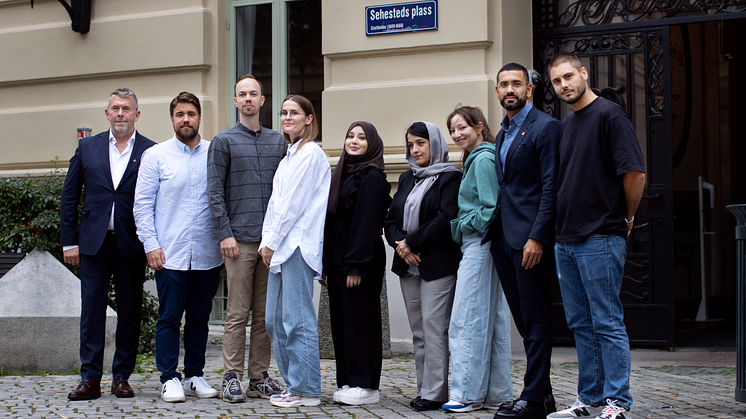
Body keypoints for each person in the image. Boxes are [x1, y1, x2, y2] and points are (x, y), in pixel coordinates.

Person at [548, 52, 645, 419]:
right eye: (557, 81)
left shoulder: (609, 115)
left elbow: (635, 173)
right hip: (566, 238)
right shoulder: (568, 124)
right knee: (580, 325)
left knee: (606, 322)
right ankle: (588, 401)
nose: (564, 86)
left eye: (569, 76)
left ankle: (617, 403)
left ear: (584, 73)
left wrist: (628, 216)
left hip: (601, 235)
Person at [60, 88, 156, 400]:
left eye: (126, 109)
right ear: (106, 113)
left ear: (136, 115)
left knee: (129, 313)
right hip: (92, 245)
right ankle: (90, 378)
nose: (120, 114)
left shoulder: (151, 151)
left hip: (131, 244)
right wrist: (68, 242)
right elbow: (70, 197)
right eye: (115, 108)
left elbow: (159, 202)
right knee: (91, 313)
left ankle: (122, 377)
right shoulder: (88, 147)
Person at [133, 92, 222, 403]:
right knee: (170, 318)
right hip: (169, 255)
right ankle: (169, 377)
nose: (186, 119)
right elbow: (142, 206)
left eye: (191, 114)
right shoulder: (156, 156)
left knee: (199, 318)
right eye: (180, 114)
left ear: (200, 117)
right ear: (172, 119)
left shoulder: (215, 152)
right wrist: (151, 245)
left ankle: (195, 374)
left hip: (208, 254)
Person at [486, 63, 560, 419]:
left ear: (530, 89)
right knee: (523, 318)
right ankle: (542, 396)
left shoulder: (545, 128)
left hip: (530, 240)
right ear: (497, 91)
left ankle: (532, 399)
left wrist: (537, 236)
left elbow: (550, 188)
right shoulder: (502, 132)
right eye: (503, 84)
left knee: (536, 318)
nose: (509, 89)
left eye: (516, 83)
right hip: (504, 238)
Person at [207, 74, 286, 402]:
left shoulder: (279, 142)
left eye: (254, 93)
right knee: (237, 313)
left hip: (270, 242)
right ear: (236, 101)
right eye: (243, 94)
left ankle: (259, 376)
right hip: (238, 243)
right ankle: (231, 376)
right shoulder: (223, 141)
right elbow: (213, 191)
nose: (249, 99)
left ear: (262, 100)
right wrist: (224, 233)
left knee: (265, 315)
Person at [383, 121, 462, 411]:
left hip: (437, 264)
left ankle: (436, 392)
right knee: (418, 330)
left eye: (420, 143)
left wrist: (411, 243)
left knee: (434, 328)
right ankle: (423, 388)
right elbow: (390, 220)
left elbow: (445, 218)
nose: (414, 149)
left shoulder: (451, 177)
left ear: (435, 144)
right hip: (408, 264)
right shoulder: (406, 178)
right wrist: (400, 246)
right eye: (410, 144)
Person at [259, 94, 330, 408]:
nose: (287, 118)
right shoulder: (290, 155)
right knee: (273, 319)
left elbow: (293, 205)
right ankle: (293, 384)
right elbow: (275, 205)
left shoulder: (311, 153)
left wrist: (271, 242)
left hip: (297, 246)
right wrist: (267, 242)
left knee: (297, 318)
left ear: (309, 118)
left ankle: (306, 389)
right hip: (278, 248)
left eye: (294, 113)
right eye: (284, 113)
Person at [442, 106, 513, 414]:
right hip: (487, 245)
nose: (457, 135)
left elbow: (489, 210)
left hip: (478, 244)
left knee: (466, 319)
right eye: (453, 130)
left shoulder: (482, 159)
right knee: (492, 319)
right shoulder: (481, 157)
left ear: (479, 126)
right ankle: (497, 393)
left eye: (462, 128)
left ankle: (466, 393)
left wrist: (458, 225)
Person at [324, 121, 392, 406]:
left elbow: (365, 223)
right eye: (350, 136)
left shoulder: (372, 176)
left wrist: (356, 266)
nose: (353, 141)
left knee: (360, 321)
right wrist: (327, 263)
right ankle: (349, 380)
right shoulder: (342, 174)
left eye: (361, 137)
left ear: (372, 144)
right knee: (342, 322)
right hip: (340, 260)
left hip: (359, 261)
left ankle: (366, 384)